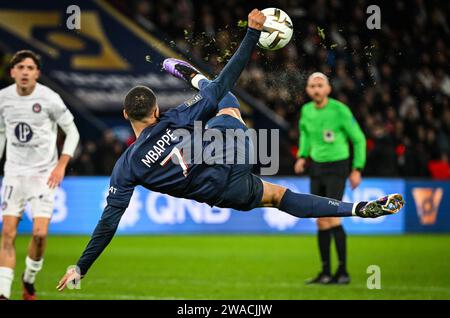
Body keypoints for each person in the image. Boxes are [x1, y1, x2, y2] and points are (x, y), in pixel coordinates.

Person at [57, 9, 403, 291]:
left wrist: (81, 267)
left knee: (280, 197)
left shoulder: (127, 165)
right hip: (232, 151)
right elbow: (226, 82)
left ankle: (355, 208)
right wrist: (251, 34)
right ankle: (188, 73)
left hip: (223, 191)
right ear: (156, 111)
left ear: (124, 115)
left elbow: (108, 222)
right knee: (225, 98)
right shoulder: (173, 119)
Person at [0, 50, 80, 300]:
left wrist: (61, 165)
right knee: (8, 232)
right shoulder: (3, 98)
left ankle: (29, 279)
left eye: (30, 68)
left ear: (37, 73)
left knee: (39, 234)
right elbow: (2, 132)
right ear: (12, 72)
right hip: (14, 173)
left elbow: (73, 132)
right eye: (20, 67)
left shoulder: (49, 98)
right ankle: (2, 293)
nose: (25, 72)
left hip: (44, 175)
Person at [294, 72, 366, 284]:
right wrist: (302, 156)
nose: (316, 89)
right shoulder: (306, 110)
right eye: (312, 86)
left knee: (333, 216)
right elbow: (305, 135)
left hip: (337, 166)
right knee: (320, 220)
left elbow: (359, 140)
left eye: (320, 85)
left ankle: (342, 272)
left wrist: (357, 169)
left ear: (328, 89)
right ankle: (326, 273)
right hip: (316, 167)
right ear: (307, 90)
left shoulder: (340, 110)